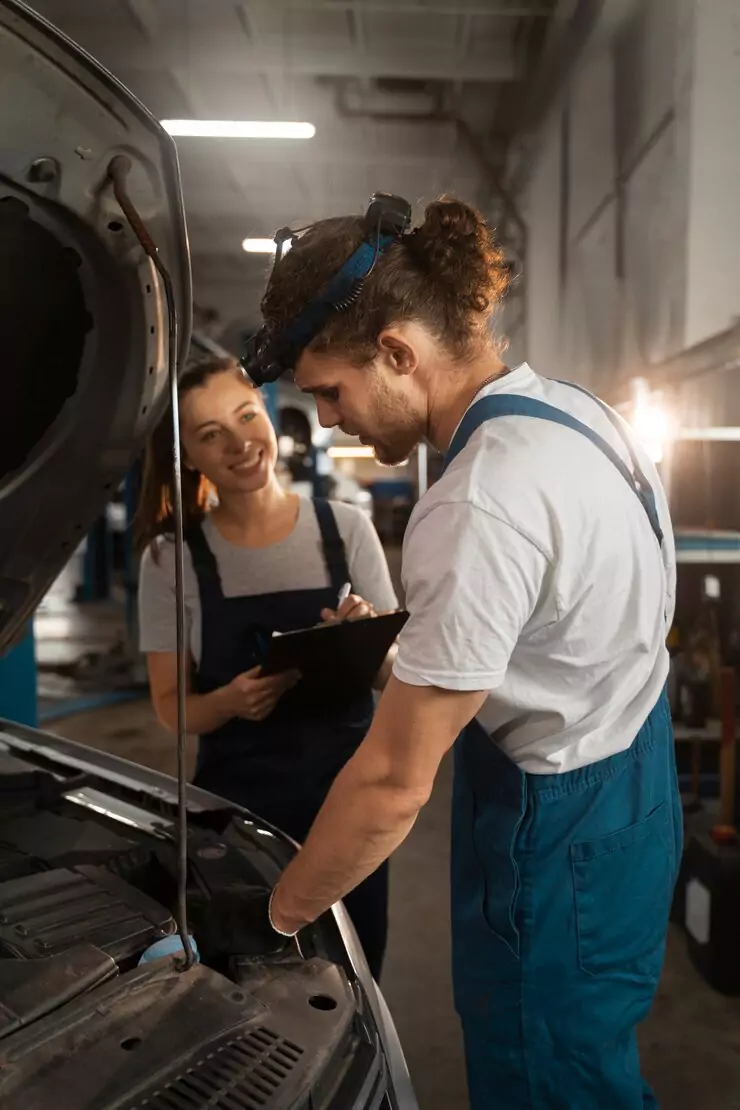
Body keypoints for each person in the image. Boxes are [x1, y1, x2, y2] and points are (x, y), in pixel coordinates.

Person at [248, 196, 680, 1109]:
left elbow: (394, 784)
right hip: (635, 781)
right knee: (596, 1063)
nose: (326, 423)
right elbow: (557, 614)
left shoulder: (478, 497)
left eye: (330, 391)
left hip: (556, 837)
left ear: (399, 351)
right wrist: (408, 646)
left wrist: (276, 916)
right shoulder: (575, 413)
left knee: (545, 1077)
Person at [135, 355, 398, 981]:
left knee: (355, 977)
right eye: (209, 435)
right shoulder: (171, 559)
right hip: (239, 813)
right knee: (246, 979)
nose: (238, 442)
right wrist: (228, 702)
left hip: (348, 807)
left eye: (245, 415)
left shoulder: (347, 531)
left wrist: (362, 637)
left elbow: (395, 674)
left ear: (269, 416)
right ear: (189, 459)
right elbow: (171, 706)